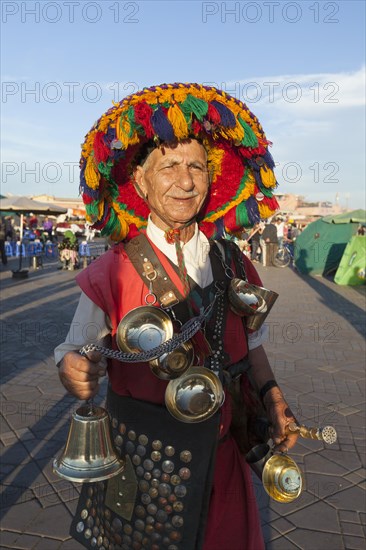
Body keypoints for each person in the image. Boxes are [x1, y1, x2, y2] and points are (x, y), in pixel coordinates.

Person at [54, 83, 298, 550]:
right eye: (168, 166)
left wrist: (271, 395)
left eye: (196, 167)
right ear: (141, 181)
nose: (185, 182)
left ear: (211, 179)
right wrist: (72, 369)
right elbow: (72, 351)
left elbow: (255, 342)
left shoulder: (233, 262)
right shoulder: (114, 270)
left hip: (226, 464)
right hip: (148, 472)